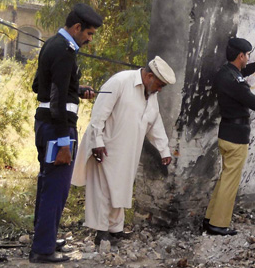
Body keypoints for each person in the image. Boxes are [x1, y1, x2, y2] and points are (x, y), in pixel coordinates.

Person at [71, 57, 176, 244]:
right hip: (106, 146)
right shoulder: (120, 81)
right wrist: (97, 141)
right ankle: (101, 231)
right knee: (102, 190)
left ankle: (115, 229)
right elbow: (99, 113)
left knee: (121, 188)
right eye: (159, 85)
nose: (160, 90)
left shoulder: (151, 94)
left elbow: (154, 121)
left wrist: (164, 150)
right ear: (149, 76)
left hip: (129, 150)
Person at [29, 4, 104, 264]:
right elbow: (57, 98)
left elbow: (40, 85)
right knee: (56, 188)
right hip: (57, 128)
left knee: (47, 183)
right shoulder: (65, 51)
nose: (89, 39)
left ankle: (44, 238)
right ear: (76, 28)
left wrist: (76, 89)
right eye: (89, 33)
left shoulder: (53, 44)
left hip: (46, 124)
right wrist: (63, 142)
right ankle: (42, 249)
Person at [203, 37, 255, 236]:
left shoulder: (226, 73)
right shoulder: (236, 82)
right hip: (237, 138)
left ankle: (210, 219)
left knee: (224, 179)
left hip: (226, 134)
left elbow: (241, 72)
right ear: (241, 55)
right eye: (248, 55)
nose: (249, 58)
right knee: (230, 182)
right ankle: (219, 224)